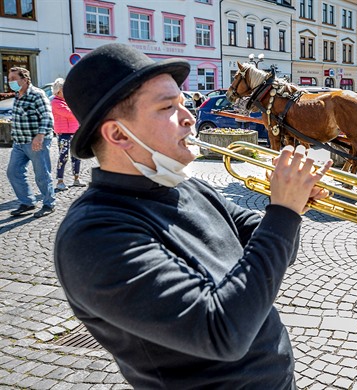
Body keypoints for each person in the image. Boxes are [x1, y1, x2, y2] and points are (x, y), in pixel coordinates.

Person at [54, 43, 332, 389]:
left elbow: (278, 249)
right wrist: (283, 210)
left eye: (184, 103)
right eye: (168, 107)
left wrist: (295, 204)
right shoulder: (93, 236)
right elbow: (223, 333)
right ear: (117, 134)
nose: (189, 117)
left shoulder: (186, 187)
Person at [7, 67, 56, 218]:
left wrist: (40, 136)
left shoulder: (37, 94)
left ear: (25, 79)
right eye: (9, 79)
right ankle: (27, 202)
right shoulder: (17, 95)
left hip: (36, 142)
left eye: (14, 78)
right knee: (13, 172)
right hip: (19, 142)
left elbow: (47, 117)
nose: (11, 82)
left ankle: (49, 204)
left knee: (42, 175)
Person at [50, 77, 85, 191]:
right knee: (63, 157)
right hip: (64, 133)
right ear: (59, 90)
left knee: (76, 156)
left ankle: (76, 178)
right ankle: (60, 181)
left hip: (75, 132)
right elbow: (70, 113)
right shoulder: (55, 102)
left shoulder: (68, 101)